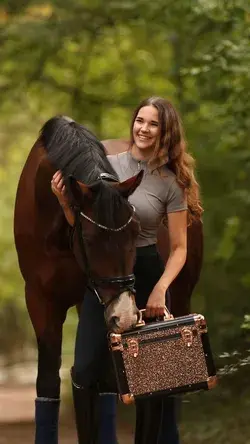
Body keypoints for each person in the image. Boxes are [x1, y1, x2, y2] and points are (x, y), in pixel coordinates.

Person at [51, 96, 202, 443]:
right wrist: (63, 201)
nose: (143, 129)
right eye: (140, 120)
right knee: (86, 369)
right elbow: (85, 227)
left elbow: (179, 248)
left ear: (166, 133)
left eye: (153, 124)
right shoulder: (106, 165)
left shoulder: (170, 182)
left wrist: (160, 289)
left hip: (147, 270)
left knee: (150, 377)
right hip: (103, 277)